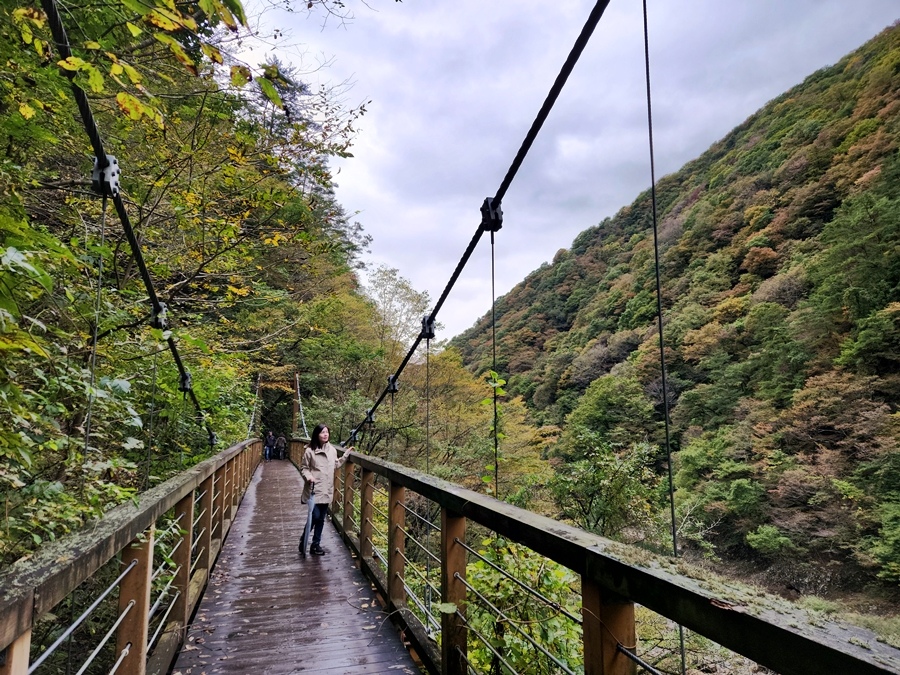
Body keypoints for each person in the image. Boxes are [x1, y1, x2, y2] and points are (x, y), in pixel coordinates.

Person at [299, 424, 353, 556]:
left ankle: (315, 545)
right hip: (314, 489)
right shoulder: (309, 451)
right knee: (315, 516)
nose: (325, 435)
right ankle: (304, 539)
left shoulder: (332, 450)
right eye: (322, 432)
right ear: (317, 434)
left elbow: (336, 464)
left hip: (327, 489)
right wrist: (309, 476)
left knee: (321, 518)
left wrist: (346, 455)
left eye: (327, 432)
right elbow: (304, 468)